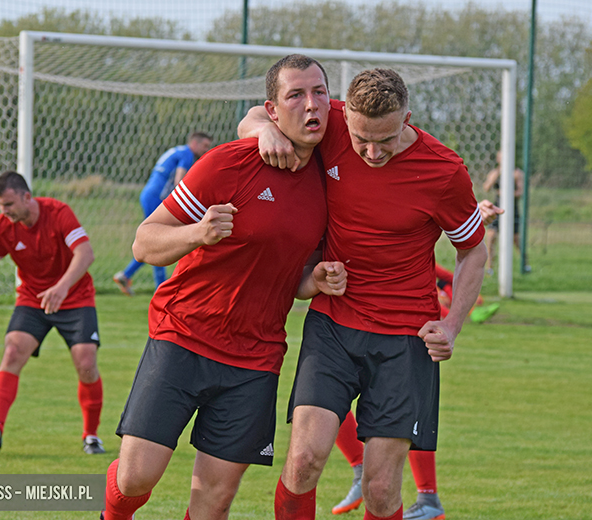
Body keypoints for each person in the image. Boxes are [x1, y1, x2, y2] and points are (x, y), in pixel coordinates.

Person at [101, 54, 347, 520]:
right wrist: (198, 233)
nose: (311, 104)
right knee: (136, 477)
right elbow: (144, 244)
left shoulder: (329, 182)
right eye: (295, 95)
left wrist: (314, 280)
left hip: (255, 358)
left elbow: (294, 280)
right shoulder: (228, 164)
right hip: (183, 337)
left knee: (214, 498)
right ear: (273, 110)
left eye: (319, 92)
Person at [239, 68, 487, 520]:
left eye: (386, 140)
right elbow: (260, 113)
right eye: (360, 140)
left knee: (379, 487)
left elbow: (473, 251)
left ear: (407, 118)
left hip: (405, 340)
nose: (372, 152)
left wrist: (452, 325)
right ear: (345, 117)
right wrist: (263, 132)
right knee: (302, 461)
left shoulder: (444, 170)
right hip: (333, 324)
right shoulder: (330, 122)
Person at [330, 200, 503, 520]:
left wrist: (473, 216)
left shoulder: (415, 175)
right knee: (322, 402)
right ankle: (365, 472)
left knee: (401, 415)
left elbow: (426, 220)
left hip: (405, 320)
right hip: (346, 316)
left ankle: (426, 496)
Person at [0, 170, 105, 455]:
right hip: (33, 301)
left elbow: (86, 253)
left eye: (8, 204)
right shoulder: (2, 227)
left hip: (75, 297)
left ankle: (91, 436)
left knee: (86, 363)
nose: (3, 211)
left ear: (26, 197)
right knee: (12, 352)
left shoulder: (58, 213)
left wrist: (61, 287)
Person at [113, 131, 213, 295]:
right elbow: (179, 181)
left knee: (157, 241)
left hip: (149, 194)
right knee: (158, 241)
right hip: (157, 198)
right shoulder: (187, 155)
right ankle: (162, 289)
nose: (206, 149)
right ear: (194, 143)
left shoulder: (178, 150)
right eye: (205, 146)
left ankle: (126, 275)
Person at [481, 150, 525, 276]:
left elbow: (520, 192)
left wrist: (506, 193)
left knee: (515, 239)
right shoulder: (496, 173)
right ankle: (490, 267)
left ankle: (524, 264)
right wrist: (497, 174)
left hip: (512, 208)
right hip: (496, 207)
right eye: (500, 158)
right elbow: (486, 187)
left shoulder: (516, 173)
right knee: (491, 237)